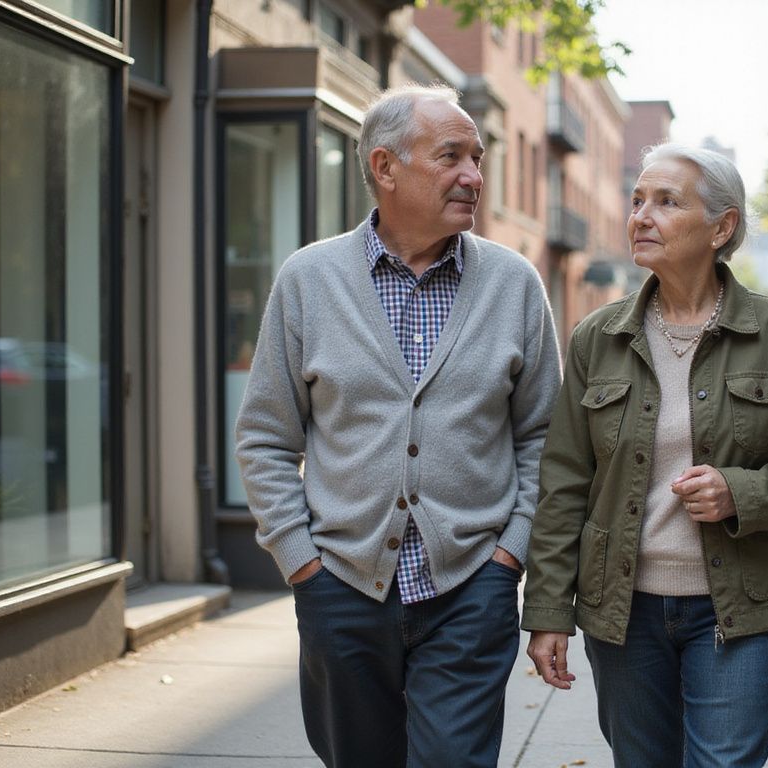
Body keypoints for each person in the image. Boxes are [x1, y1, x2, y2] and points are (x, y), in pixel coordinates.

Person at [235, 84, 561, 768]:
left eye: (477, 157)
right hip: (341, 589)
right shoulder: (308, 280)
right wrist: (302, 563)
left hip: (472, 588)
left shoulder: (513, 283)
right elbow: (266, 437)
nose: (473, 175)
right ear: (385, 167)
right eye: (451, 157)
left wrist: (511, 558)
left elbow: (545, 440)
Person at [521, 143, 768, 768]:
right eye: (638, 200)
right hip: (624, 613)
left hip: (739, 607)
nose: (641, 215)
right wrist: (547, 611)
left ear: (722, 227)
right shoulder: (598, 338)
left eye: (667, 202)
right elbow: (565, 482)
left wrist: (742, 492)